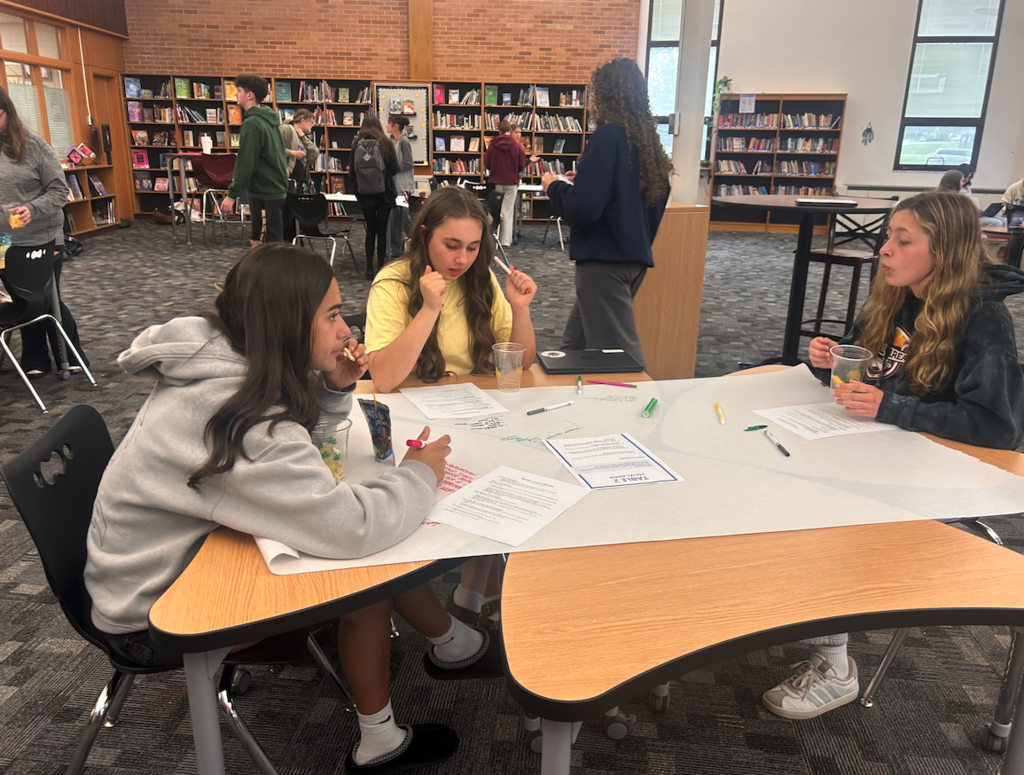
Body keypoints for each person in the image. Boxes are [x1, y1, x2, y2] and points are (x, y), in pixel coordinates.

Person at [84, 245, 501, 773]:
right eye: (330, 315)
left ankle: (452, 642)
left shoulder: (223, 360)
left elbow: (294, 451)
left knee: (369, 539)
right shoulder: (237, 420)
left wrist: (331, 390)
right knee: (362, 579)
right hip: (153, 615)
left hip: (159, 563)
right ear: (285, 323)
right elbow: (350, 527)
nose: (345, 329)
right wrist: (421, 473)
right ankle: (381, 742)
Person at [762, 191, 1024, 721]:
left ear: (943, 251)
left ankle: (835, 665)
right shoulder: (897, 298)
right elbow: (874, 372)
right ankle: (785, 604)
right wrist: (830, 360)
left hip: (938, 470)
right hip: (883, 446)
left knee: (825, 509)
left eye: (902, 241)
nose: (885, 250)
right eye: (888, 237)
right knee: (779, 471)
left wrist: (893, 408)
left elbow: (996, 428)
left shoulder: (984, 319)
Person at [364, 187, 537, 627]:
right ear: (424, 237)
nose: (462, 259)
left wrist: (520, 310)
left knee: (519, 469)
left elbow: (522, 361)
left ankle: (473, 588)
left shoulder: (481, 280)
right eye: (451, 246)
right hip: (415, 418)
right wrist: (429, 308)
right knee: (484, 480)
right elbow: (383, 378)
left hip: (472, 411)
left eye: (474, 247)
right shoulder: (393, 283)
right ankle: (477, 589)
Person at [542, 58, 672, 370]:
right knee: (572, 350)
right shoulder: (646, 143)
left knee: (621, 358)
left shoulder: (608, 136)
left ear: (604, 95)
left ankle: (643, 412)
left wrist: (554, 188)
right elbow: (646, 199)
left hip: (604, 265)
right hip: (631, 260)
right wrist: (583, 183)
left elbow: (583, 209)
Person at [0, 86, 88, 379]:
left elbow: (59, 191)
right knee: (21, 298)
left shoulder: (34, 146)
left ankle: (71, 353)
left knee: (45, 296)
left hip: (41, 236)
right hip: (4, 239)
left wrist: (32, 209)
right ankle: (35, 357)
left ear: (7, 113)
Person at [220, 75, 288, 248]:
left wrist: (232, 194)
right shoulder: (270, 120)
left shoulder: (253, 123)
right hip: (269, 186)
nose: (236, 94)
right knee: (260, 239)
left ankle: (271, 274)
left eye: (239, 90)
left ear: (250, 95)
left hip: (267, 187)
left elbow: (246, 161)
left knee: (270, 244)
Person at [348, 115, 399, 279]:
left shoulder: (356, 144)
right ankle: (380, 268)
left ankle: (369, 268)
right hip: (383, 193)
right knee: (382, 230)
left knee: (371, 230)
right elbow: (395, 168)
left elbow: (351, 175)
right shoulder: (385, 142)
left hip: (365, 194)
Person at [483, 121, 532, 248]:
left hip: (496, 181)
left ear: (498, 131)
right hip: (511, 182)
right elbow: (521, 166)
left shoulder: (492, 146)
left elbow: (487, 164)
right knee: (508, 211)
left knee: (496, 210)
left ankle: (492, 237)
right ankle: (505, 241)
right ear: (509, 131)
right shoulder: (517, 146)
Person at [280, 108, 319, 241]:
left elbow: (314, 153)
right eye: (311, 121)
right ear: (303, 120)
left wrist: (302, 135)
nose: (312, 124)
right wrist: (292, 153)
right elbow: (274, 149)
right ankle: (285, 241)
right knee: (287, 214)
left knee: (295, 214)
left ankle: (294, 239)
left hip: (300, 179)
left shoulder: (301, 137)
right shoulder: (286, 130)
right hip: (287, 178)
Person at [386, 114, 415, 258]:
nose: (386, 126)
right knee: (394, 221)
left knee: (405, 220)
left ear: (395, 126)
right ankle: (395, 251)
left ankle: (412, 248)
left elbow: (408, 163)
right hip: (395, 186)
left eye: (388, 123)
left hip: (404, 187)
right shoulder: (393, 142)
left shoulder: (404, 142)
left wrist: (394, 169)